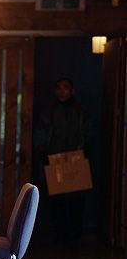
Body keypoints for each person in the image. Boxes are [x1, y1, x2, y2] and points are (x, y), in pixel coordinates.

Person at [34, 77, 91, 244]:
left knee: (76, 201)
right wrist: (45, 154)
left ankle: (74, 236)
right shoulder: (50, 111)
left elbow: (87, 134)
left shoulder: (80, 111)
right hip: (55, 161)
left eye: (65, 88)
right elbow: (42, 134)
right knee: (57, 202)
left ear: (72, 91)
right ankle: (60, 235)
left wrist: (83, 153)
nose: (62, 91)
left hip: (76, 160)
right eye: (59, 88)